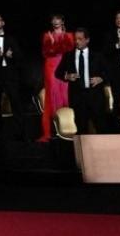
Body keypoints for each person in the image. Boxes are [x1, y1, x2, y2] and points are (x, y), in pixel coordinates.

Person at [56, 28, 110, 135]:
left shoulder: (97, 56)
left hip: (95, 96)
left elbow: (109, 72)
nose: (77, 42)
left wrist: (101, 78)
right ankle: (83, 151)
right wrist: (67, 76)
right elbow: (58, 73)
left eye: (80, 39)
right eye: (75, 39)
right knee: (81, 129)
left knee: (101, 127)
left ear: (87, 40)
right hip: (77, 97)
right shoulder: (68, 56)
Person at [0, 14, 27, 139]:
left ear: (3, 23)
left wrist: (10, 56)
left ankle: (20, 132)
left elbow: (20, 56)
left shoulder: (11, 39)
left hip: (10, 75)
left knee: (16, 102)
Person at [38, 13, 74, 142]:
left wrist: (56, 45)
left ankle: (67, 126)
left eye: (58, 19)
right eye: (53, 20)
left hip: (64, 66)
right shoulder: (47, 35)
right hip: (51, 67)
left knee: (65, 94)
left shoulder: (69, 35)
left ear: (62, 21)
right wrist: (54, 45)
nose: (55, 22)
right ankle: (49, 132)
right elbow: (46, 52)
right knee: (52, 96)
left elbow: (69, 49)